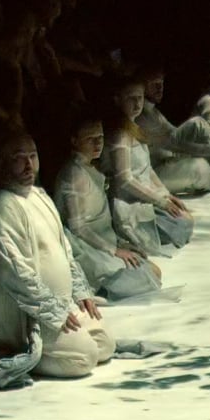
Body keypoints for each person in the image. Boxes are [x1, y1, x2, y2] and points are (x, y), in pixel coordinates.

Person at [0, 132, 114, 390]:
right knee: (85, 358)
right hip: (30, 316)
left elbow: (65, 249)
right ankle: (23, 353)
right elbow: (14, 271)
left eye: (33, 156)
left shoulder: (39, 195)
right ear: (1, 162)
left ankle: (61, 340)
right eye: (19, 158)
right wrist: (52, 312)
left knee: (105, 345)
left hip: (63, 305)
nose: (28, 165)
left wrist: (80, 291)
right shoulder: (1, 204)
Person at [55, 119, 167, 303]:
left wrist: (119, 243)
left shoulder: (87, 168)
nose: (98, 143)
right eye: (90, 138)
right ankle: (97, 289)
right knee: (150, 276)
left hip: (100, 240)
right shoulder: (74, 174)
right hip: (83, 248)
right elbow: (78, 228)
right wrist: (114, 250)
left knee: (153, 272)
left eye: (100, 137)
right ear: (75, 141)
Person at [102, 84, 195, 251]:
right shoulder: (120, 135)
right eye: (131, 98)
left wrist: (166, 195)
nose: (137, 103)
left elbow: (148, 169)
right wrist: (160, 201)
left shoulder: (135, 129)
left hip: (144, 196)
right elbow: (125, 180)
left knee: (186, 219)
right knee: (182, 224)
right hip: (128, 202)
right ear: (118, 100)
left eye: (140, 98)